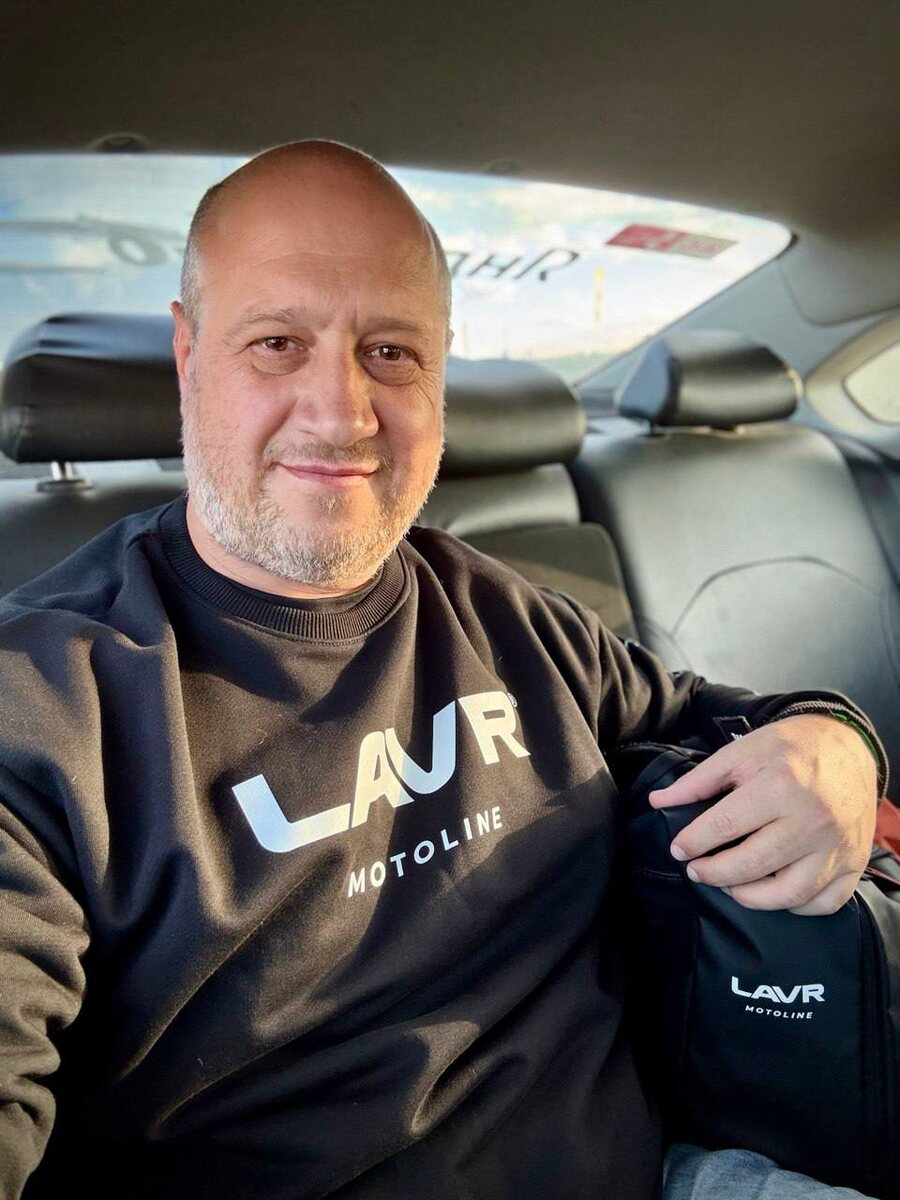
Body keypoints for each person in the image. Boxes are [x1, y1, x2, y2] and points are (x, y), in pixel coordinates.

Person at [0, 140, 887, 1200]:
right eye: (278, 343)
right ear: (188, 356)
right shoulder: (45, 707)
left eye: (391, 352)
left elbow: (727, 719)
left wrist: (837, 744)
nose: (342, 413)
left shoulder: (498, 610)